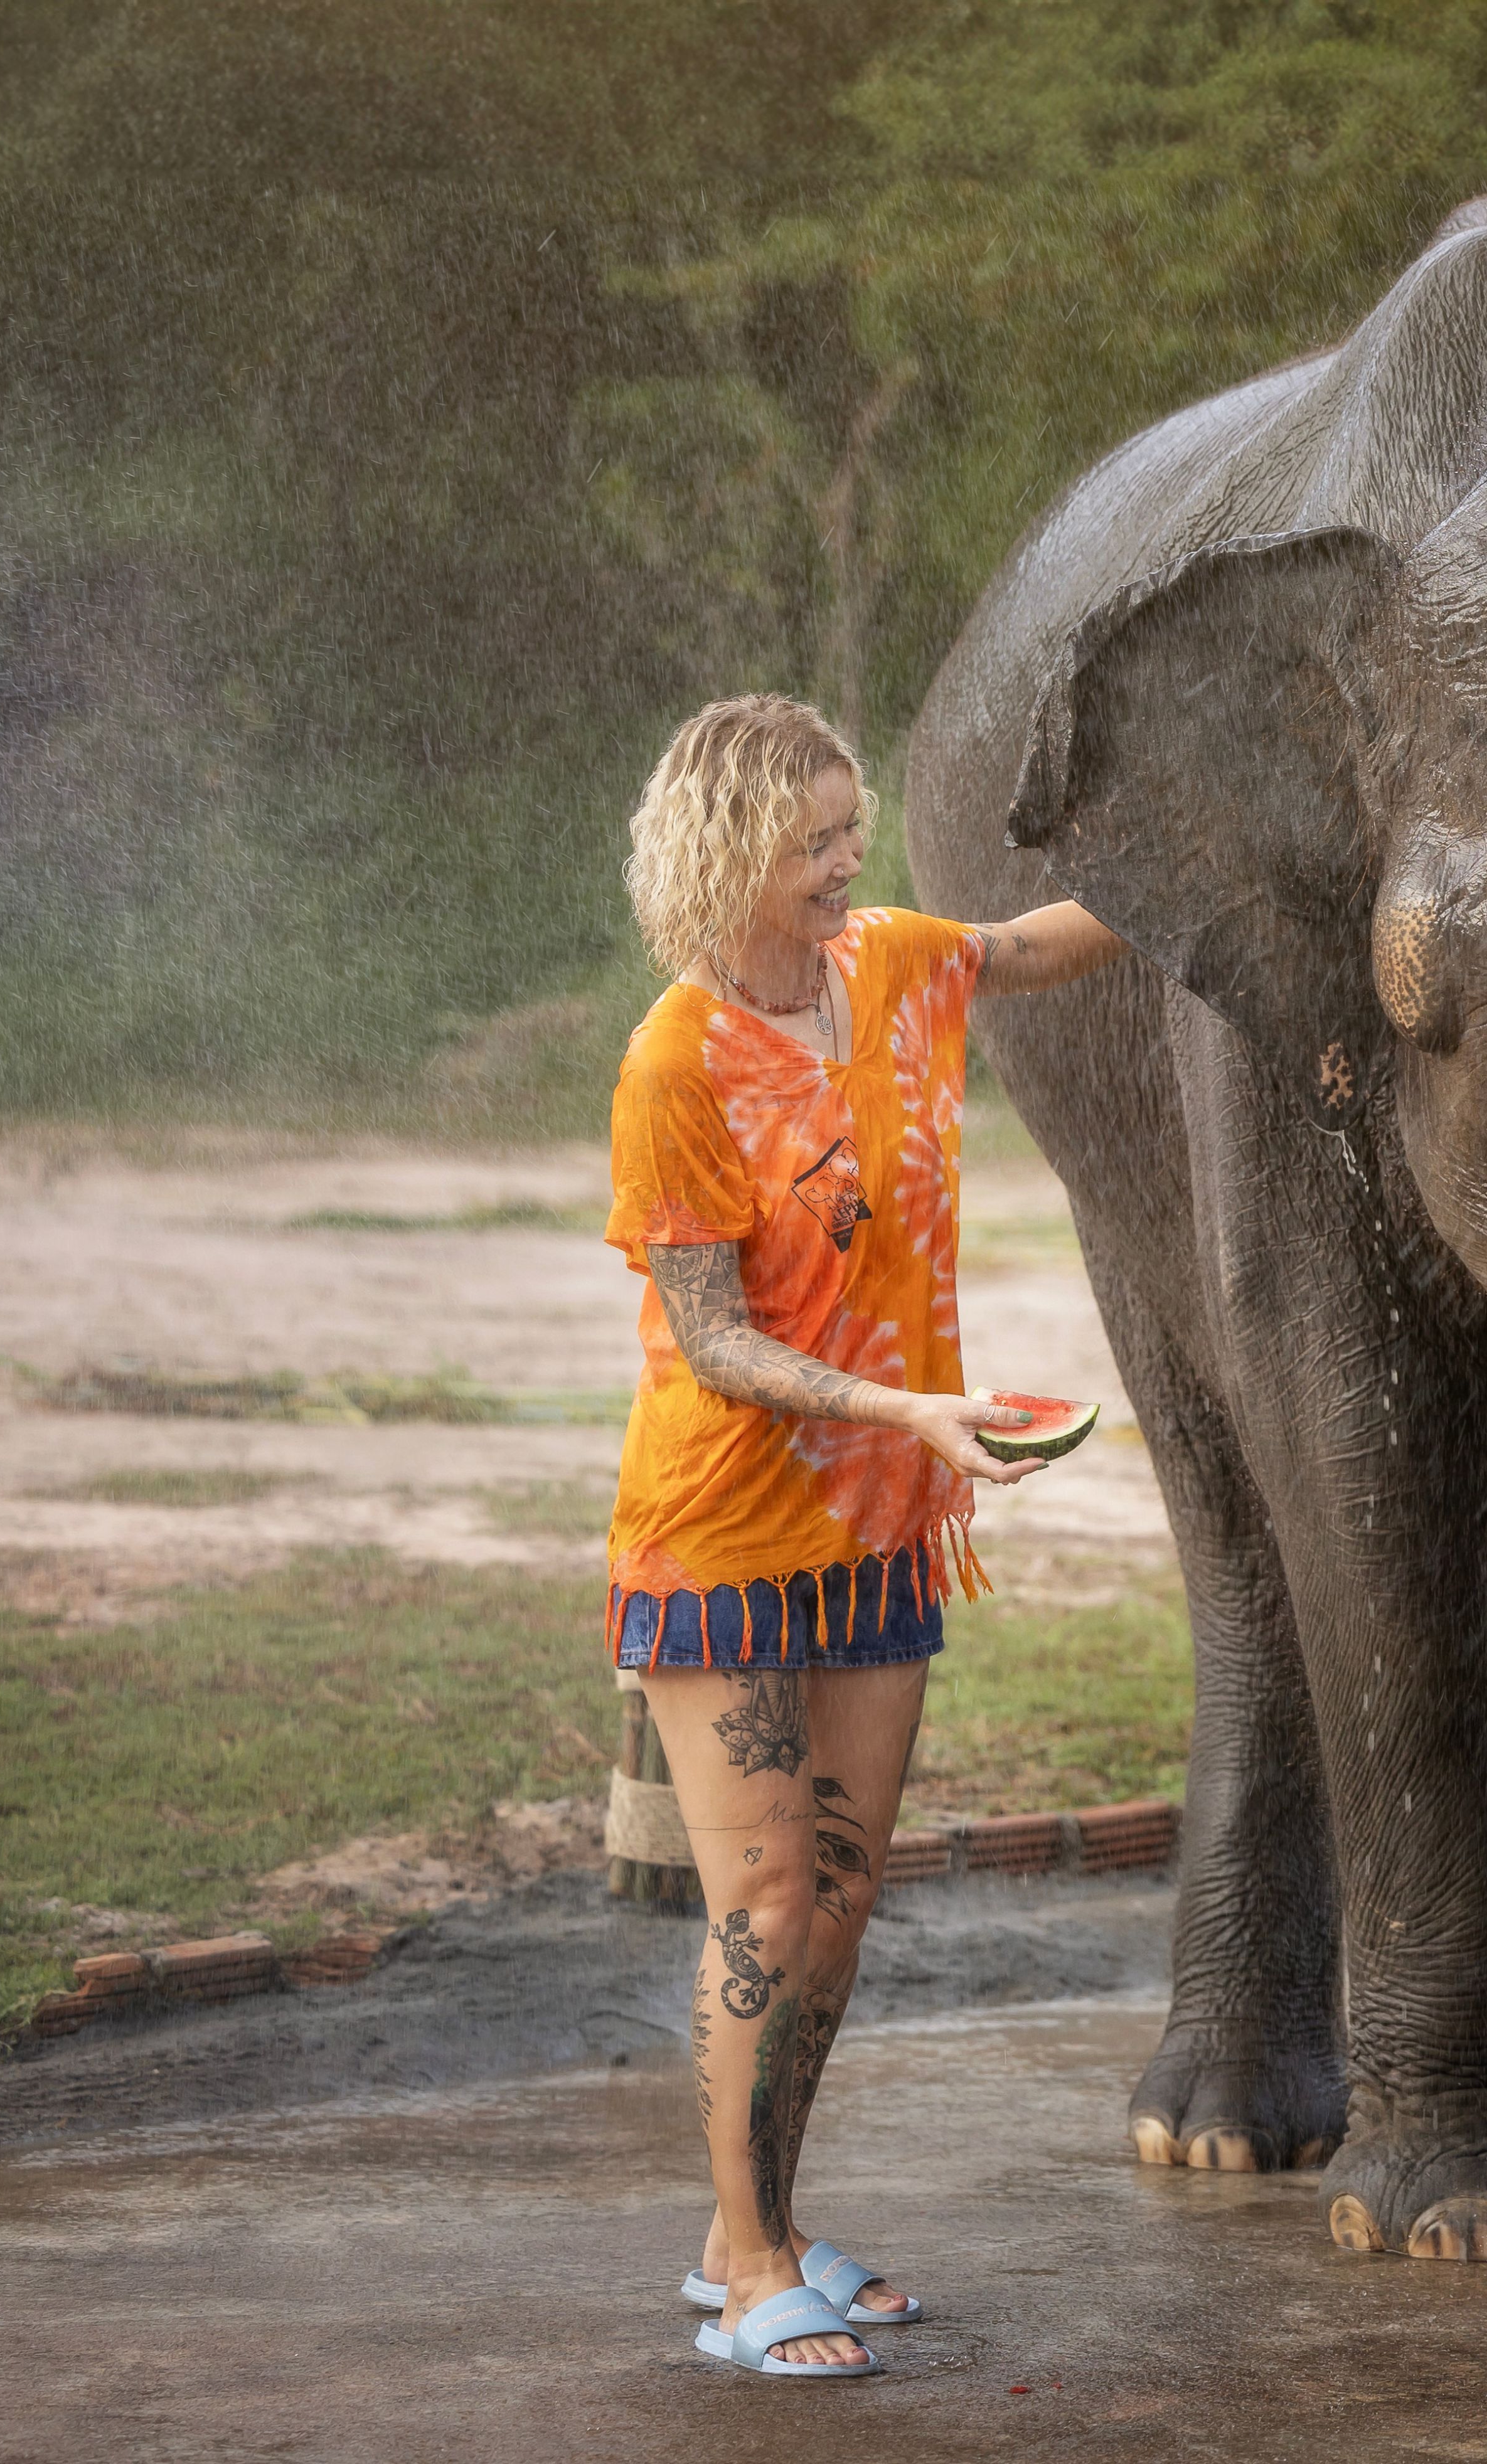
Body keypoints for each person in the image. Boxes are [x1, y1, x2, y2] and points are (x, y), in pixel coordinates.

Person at [604, 693, 1123, 2378]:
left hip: (887, 1526)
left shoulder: (892, 965)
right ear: (731, 851)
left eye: (851, 831)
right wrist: (911, 1412)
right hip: (727, 1535)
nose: (850, 862)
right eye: (817, 839)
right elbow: (714, 1342)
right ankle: (753, 2274)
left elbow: (1033, 947)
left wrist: (1214, 860)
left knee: (833, 1899)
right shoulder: (677, 1058)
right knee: (758, 1902)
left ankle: (742, 2224)